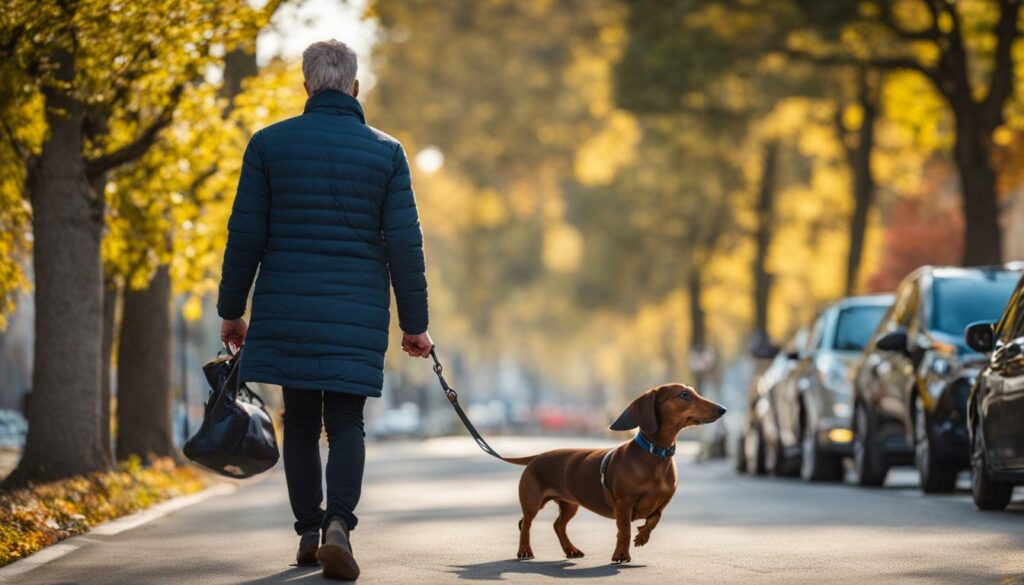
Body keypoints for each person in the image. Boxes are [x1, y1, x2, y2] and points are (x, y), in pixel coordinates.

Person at [216, 39, 432, 581]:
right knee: (346, 423)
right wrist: (415, 327)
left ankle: (309, 532)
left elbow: (245, 234)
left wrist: (231, 309)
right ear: (355, 88)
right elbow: (405, 244)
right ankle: (340, 524)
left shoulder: (268, 145)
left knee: (301, 423)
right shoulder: (387, 152)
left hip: (286, 308)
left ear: (306, 86)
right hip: (355, 315)